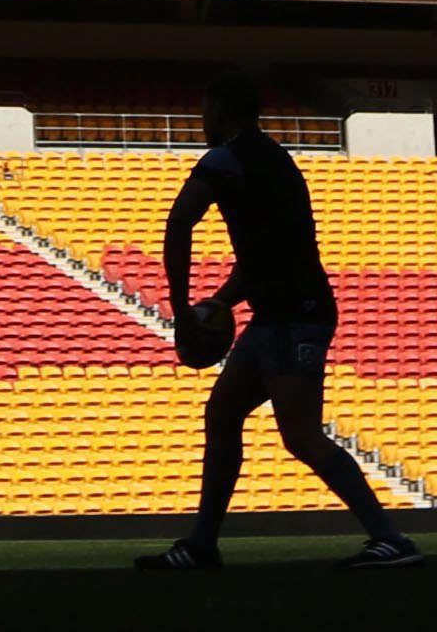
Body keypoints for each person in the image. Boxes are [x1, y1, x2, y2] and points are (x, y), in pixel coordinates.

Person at [133, 76, 417, 573]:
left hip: (293, 316)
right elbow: (269, 254)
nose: (202, 120)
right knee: (222, 414)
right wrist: (222, 300)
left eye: (205, 110)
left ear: (220, 110)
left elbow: (179, 223)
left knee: (301, 434)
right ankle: (202, 544)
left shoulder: (225, 159)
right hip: (282, 313)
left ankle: (390, 538)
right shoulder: (276, 160)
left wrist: (182, 311)